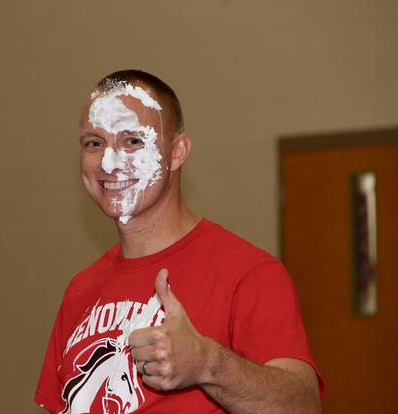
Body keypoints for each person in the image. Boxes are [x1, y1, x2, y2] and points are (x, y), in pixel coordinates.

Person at [35, 70, 324, 414]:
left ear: (177, 152)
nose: (109, 163)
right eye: (94, 143)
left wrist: (208, 364)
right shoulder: (81, 290)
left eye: (132, 141)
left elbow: (303, 407)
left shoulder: (248, 273)